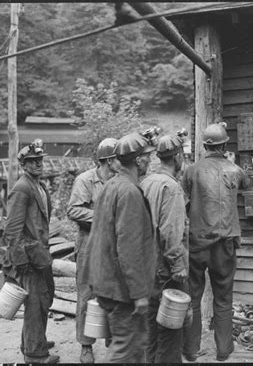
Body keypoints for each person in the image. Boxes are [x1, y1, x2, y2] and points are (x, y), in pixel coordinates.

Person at [85, 132, 157, 363]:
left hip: (106, 281)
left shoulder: (110, 185)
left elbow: (98, 237)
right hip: (121, 290)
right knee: (125, 348)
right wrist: (139, 294)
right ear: (138, 160)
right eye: (147, 156)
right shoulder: (129, 192)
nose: (150, 160)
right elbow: (129, 247)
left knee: (134, 347)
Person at [182, 122, 250, 362]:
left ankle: (190, 350)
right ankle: (223, 350)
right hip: (226, 243)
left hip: (197, 242)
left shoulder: (191, 170)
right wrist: (231, 161)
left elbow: (185, 193)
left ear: (204, 146)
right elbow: (247, 183)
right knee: (223, 297)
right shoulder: (235, 170)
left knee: (193, 296)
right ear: (225, 144)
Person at [0, 139, 59, 364]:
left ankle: (34, 341)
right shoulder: (22, 188)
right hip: (29, 257)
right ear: (23, 165)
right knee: (35, 302)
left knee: (43, 299)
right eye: (32, 162)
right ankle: (35, 355)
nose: (38, 164)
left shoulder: (39, 186)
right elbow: (12, 229)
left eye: (40, 160)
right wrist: (20, 261)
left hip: (40, 254)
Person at [67, 138, 118, 363]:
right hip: (88, 244)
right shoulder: (86, 180)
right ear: (108, 161)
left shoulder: (119, 181)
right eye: (118, 158)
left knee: (114, 294)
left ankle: (112, 339)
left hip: (113, 246)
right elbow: (74, 211)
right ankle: (86, 345)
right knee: (86, 296)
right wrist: (103, 218)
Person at [140, 132, 189, 363]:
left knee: (150, 326)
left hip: (145, 265)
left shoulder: (146, 182)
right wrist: (177, 265)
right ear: (178, 157)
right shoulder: (172, 188)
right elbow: (170, 233)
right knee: (170, 328)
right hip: (165, 268)